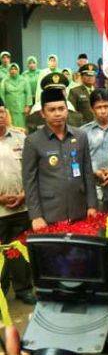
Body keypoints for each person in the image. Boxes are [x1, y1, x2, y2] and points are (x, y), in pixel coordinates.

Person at [22, 86, 97, 231]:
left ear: (67, 110)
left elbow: (88, 173)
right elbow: (29, 182)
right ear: (43, 113)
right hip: (49, 215)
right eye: (52, 110)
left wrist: (92, 205)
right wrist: (35, 215)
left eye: (61, 108)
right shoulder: (33, 141)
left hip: (79, 211)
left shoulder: (80, 136)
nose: (58, 114)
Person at [0, 105, 35, 305]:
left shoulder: (21, 138)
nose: (0, 117)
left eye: (2, 112)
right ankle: (1, 291)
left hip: (22, 206)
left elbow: (31, 171)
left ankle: (23, 288)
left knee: (20, 251)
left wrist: (24, 194)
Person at [80, 89, 108, 213]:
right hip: (93, 192)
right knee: (96, 230)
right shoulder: (83, 133)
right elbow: (79, 161)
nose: (103, 111)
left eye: (106, 106)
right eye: (98, 107)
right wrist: (94, 172)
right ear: (91, 109)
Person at [0, 63, 31, 129]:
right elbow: (1, 94)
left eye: (15, 69)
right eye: (11, 69)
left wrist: (27, 106)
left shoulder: (24, 80)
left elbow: (28, 93)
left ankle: (23, 138)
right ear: (9, 70)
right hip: (9, 107)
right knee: (10, 124)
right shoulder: (5, 81)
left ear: (18, 70)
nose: (13, 71)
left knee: (22, 125)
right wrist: (3, 108)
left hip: (21, 107)